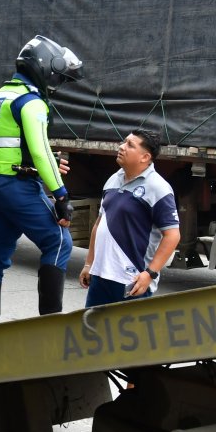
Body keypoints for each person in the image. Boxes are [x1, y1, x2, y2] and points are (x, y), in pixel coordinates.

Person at [0, 35, 84, 325]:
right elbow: (39, 150)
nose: (56, 85)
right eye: (57, 77)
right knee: (59, 242)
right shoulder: (32, 102)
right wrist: (61, 196)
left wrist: (42, 163)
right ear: (45, 68)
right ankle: (49, 328)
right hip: (16, 187)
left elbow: (12, 148)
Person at [79, 129, 180, 306]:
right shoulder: (113, 179)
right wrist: (89, 264)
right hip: (100, 277)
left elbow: (172, 235)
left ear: (145, 157)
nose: (122, 147)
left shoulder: (158, 188)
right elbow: (99, 223)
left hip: (131, 282)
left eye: (130, 145)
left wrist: (150, 273)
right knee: (92, 333)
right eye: (124, 142)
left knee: (127, 335)